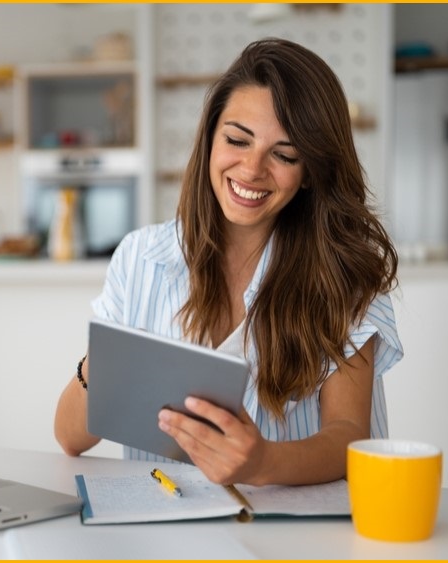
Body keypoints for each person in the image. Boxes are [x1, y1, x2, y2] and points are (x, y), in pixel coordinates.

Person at [53, 38, 403, 487]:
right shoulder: (140, 258)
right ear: (210, 138)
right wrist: (103, 364)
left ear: (311, 171)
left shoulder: (342, 276)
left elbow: (350, 437)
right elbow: (69, 438)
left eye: (284, 154)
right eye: (237, 140)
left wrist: (262, 463)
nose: (252, 169)